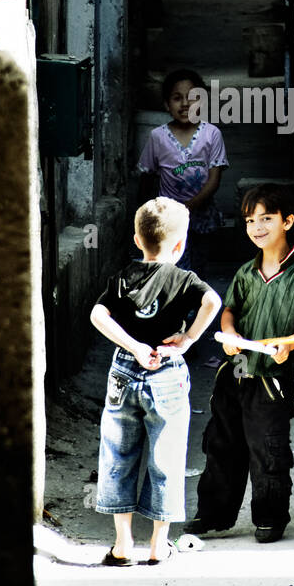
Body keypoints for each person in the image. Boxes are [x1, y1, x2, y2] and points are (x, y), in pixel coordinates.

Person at [189, 184, 294, 543]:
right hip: (233, 376)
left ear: (288, 221)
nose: (257, 227)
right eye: (251, 220)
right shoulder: (245, 273)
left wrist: (291, 342)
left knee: (268, 448)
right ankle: (212, 515)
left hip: (272, 378)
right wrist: (230, 336)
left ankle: (270, 518)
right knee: (221, 445)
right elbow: (228, 312)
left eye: (266, 218)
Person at [90, 198, 221, 565]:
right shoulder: (185, 280)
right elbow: (212, 301)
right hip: (166, 374)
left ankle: (121, 545)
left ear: (137, 239)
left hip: (124, 371)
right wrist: (189, 340)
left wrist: (132, 344)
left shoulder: (122, 277)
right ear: (180, 245)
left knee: (118, 455)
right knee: (166, 457)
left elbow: (98, 314)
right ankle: (158, 545)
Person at [137, 68, 229, 280]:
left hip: (202, 215)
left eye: (193, 98)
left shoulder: (211, 135)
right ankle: (183, 307)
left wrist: (191, 205)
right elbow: (147, 176)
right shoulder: (158, 137)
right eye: (177, 98)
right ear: (167, 105)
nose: (185, 104)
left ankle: (196, 304)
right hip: (169, 218)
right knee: (178, 264)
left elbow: (214, 179)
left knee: (199, 264)